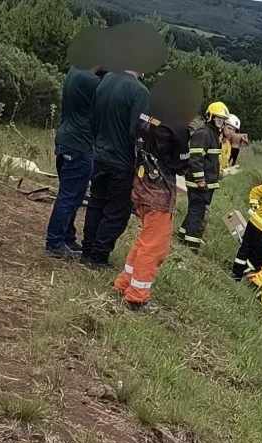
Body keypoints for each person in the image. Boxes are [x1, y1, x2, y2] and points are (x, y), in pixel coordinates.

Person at [112, 72, 200, 312]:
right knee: (155, 246)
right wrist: (187, 142)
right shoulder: (178, 127)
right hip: (159, 193)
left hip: (140, 185)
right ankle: (137, 296)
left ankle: (124, 283)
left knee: (145, 240)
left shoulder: (146, 114)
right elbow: (179, 165)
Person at [81, 69, 150, 269]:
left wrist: (99, 144)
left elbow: (92, 118)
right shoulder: (140, 92)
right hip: (123, 162)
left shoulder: (106, 79)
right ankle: (99, 256)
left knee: (96, 203)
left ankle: (87, 250)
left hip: (100, 154)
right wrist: (141, 162)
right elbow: (137, 132)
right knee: (116, 211)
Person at [45, 62, 103, 258]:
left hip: (66, 139)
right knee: (69, 196)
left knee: (72, 194)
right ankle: (55, 241)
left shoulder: (75, 70)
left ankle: (67, 237)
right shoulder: (91, 80)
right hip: (79, 144)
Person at [177, 101, 229, 253]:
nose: (221, 120)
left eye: (223, 118)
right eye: (218, 117)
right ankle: (191, 247)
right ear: (210, 116)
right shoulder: (204, 133)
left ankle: (181, 236)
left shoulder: (213, 134)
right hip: (199, 183)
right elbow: (195, 158)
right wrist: (200, 180)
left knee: (194, 211)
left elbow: (211, 161)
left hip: (207, 183)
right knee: (197, 214)